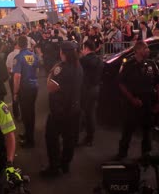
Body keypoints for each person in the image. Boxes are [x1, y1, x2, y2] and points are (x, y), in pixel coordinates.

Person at [42, 41, 83, 177]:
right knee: (69, 139)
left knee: (52, 138)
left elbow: (50, 87)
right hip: (73, 109)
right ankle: (65, 165)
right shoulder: (78, 66)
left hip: (59, 110)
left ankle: (54, 167)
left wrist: (50, 74)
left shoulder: (61, 68)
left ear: (62, 52)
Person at [115, 41, 159, 160]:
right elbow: (121, 84)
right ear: (138, 50)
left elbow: (157, 83)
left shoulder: (151, 64)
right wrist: (132, 99)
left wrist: (157, 103)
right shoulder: (129, 65)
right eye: (146, 48)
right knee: (128, 129)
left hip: (147, 102)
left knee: (147, 130)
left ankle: (146, 154)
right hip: (132, 103)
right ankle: (122, 153)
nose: (148, 50)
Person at [13, 35, 39, 148]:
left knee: (25, 114)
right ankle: (29, 134)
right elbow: (37, 69)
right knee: (31, 112)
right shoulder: (33, 55)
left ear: (18, 44)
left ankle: (30, 140)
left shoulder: (18, 57)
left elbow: (17, 76)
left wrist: (15, 92)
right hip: (34, 86)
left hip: (24, 88)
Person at [79, 39, 103, 146]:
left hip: (86, 89)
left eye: (83, 48)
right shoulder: (99, 60)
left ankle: (88, 137)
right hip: (96, 88)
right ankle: (89, 135)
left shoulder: (84, 60)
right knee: (91, 112)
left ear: (86, 48)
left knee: (87, 113)